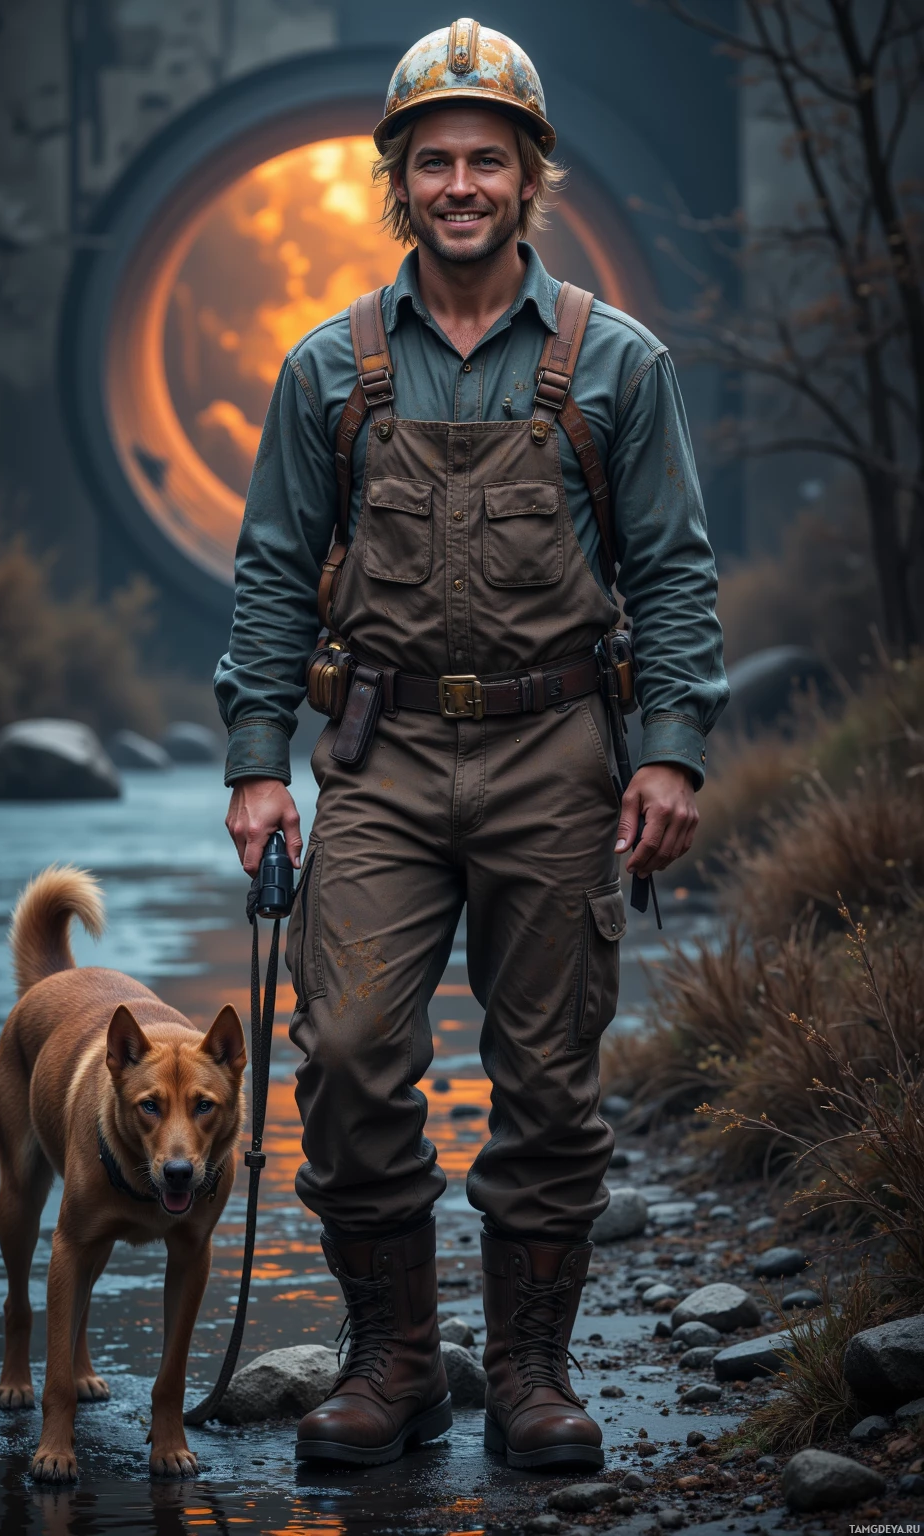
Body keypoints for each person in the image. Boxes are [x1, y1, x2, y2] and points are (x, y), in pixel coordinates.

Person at [215, 18, 728, 1472]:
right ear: (398, 182)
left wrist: (671, 750)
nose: (459, 184)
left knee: (553, 1074)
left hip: (559, 753)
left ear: (529, 177)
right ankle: (391, 1363)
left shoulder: (615, 367)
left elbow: (675, 571)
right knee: (357, 1052)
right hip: (375, 759)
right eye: (432, 161)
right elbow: (268, 572)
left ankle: (529, 1376)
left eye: (484, 161)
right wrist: (259, 762)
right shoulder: (329, 371)